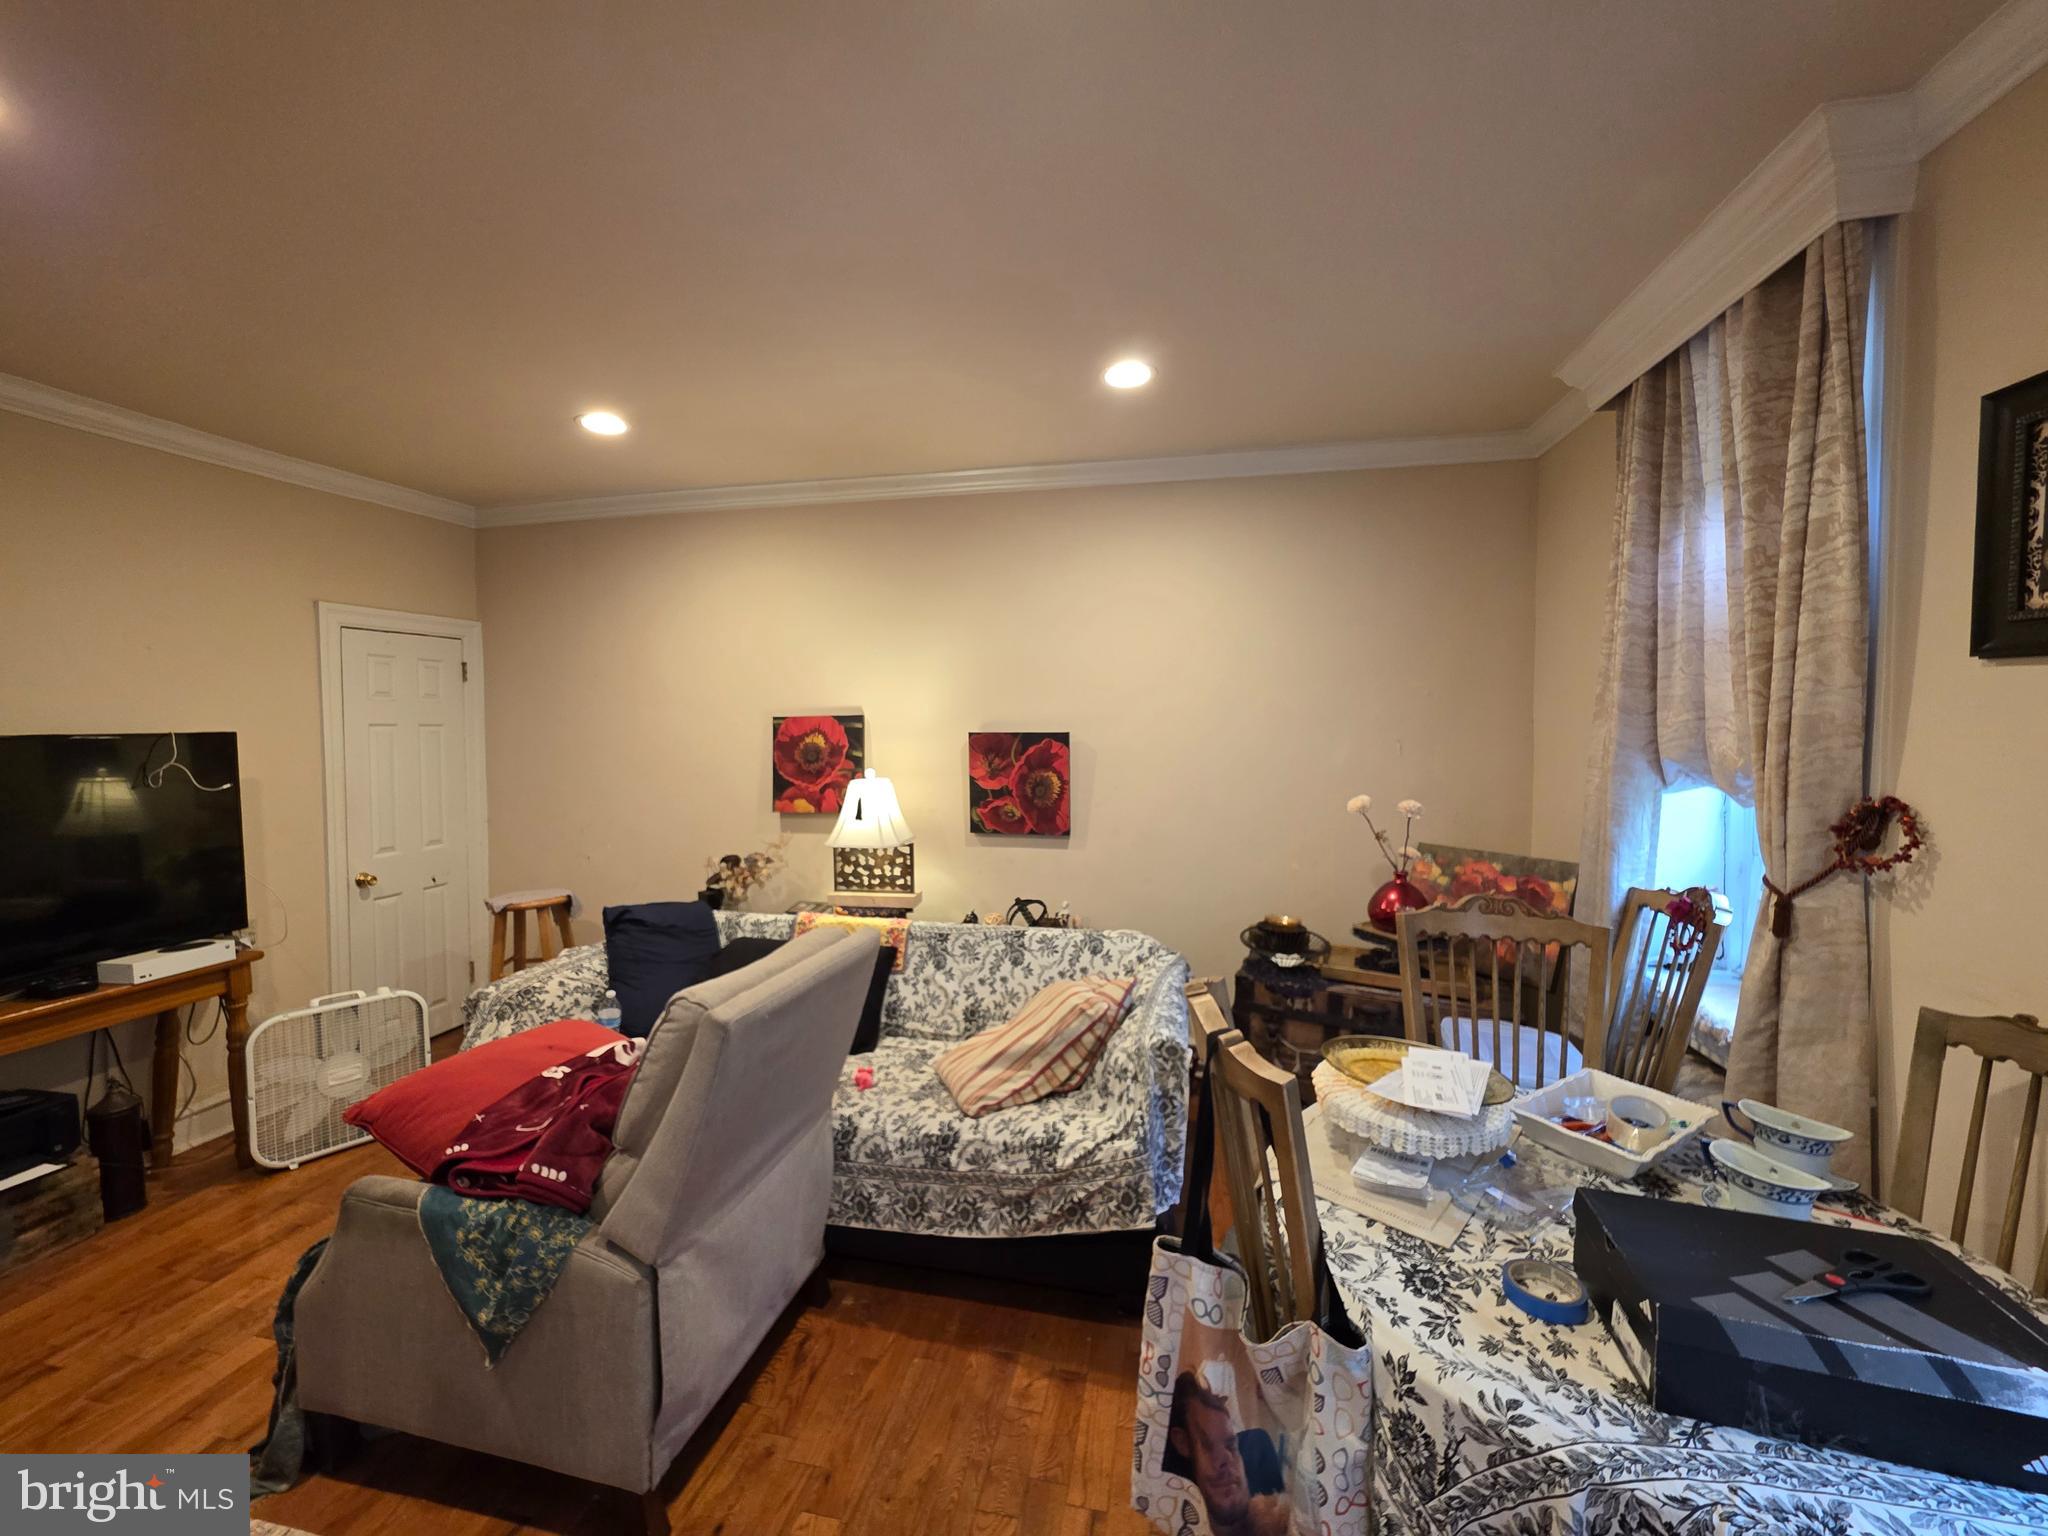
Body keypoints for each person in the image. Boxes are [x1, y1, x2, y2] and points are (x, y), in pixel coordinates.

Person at [1164, 1371, 1289, 1536]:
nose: (1227, 1458)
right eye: (1208, 1445)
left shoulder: (1281, 1518)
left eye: (1231, 1446)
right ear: (1182, 1444)